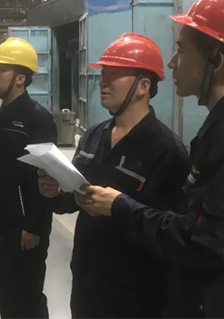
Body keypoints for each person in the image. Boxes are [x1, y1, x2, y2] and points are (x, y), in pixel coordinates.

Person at [86, 0, 224, 319]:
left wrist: (120, 207)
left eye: (181, 50)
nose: (172, 63)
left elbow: (203, 243)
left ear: (216, 61)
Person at [38, 33, 191, 319]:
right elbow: (74, 200)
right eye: (104, 73)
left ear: (143, 86)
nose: (103, 82)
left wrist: (118, 207)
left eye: (115, 74)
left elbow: (173, 233)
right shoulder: (94, 136)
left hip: (135, 294)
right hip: (87, 281)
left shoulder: (167, 150)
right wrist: (56, 193)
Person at [0, 37, 58, 319]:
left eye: (0, 70)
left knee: (27, 300)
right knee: (4, 296)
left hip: (24, 230)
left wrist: (34, 226)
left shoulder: (37, 118)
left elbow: (47, 176)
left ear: (20, 78)